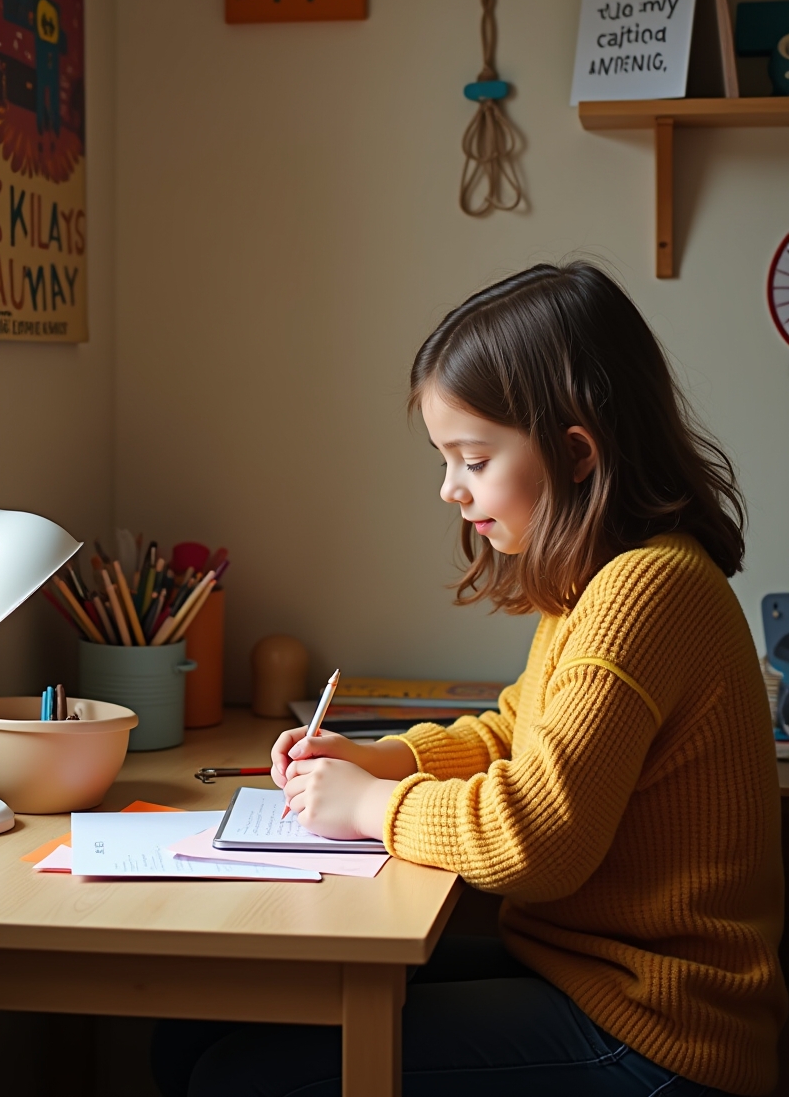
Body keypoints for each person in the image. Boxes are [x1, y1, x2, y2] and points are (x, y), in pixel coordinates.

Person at [152, 263, 786, 1097]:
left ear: (575, 453)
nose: (450, 488)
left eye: (473, 459)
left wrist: (371, 807)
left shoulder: (648, 590)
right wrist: (379, 761)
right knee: (198, 1019)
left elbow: (537, 839)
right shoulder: (595, 586)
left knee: (245, 1076)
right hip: (584, 974)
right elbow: (508, 738)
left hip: (661, 1032)